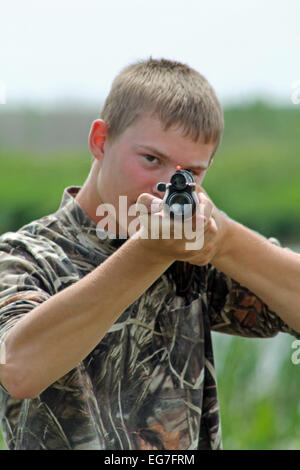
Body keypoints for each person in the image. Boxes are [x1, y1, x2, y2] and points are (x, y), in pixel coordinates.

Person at [0, 58, 300, 451]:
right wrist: (149, 253)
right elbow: (19, 369)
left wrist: (223, 240)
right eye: (150, 160)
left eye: (189, 173)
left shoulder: (196, 254)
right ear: (99, 141)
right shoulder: (25, 255)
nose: (165, 186)